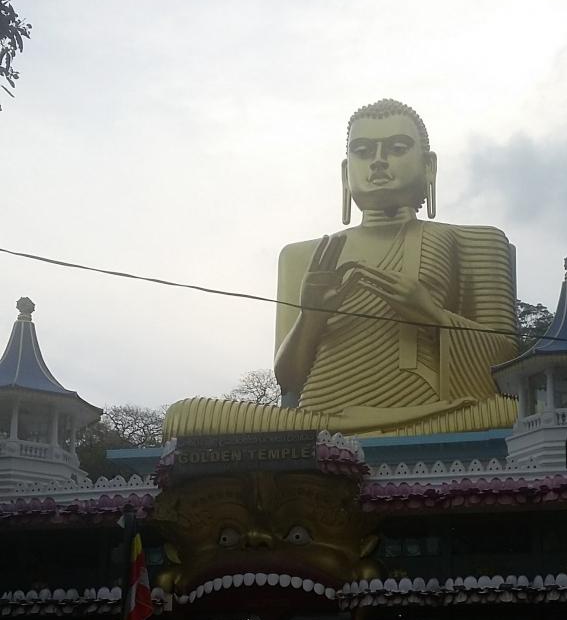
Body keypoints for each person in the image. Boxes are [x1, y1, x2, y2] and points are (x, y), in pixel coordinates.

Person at [164, 99, 520, 439]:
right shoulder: (303, 255)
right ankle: (346, 441)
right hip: (319, 421)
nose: (378, 162)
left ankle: (356, 442)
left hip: (435, 415)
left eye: (397, 148)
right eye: (363, 151)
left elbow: (504, 366)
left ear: (429, 166)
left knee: (514, 413)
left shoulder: (476, 241)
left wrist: (430, 314)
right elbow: (289, 378)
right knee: (184, 417)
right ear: (346, 171)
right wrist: (311, 315)